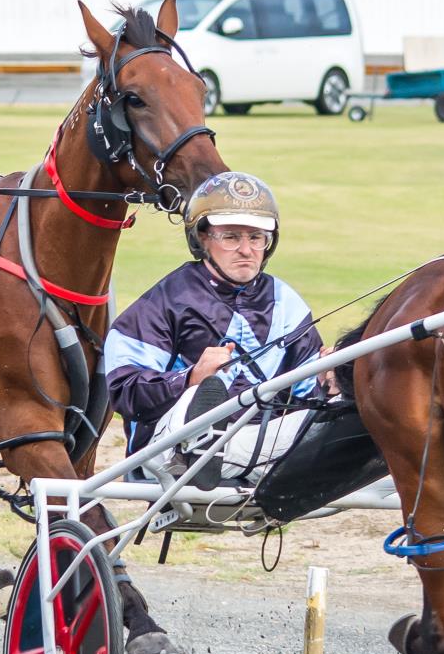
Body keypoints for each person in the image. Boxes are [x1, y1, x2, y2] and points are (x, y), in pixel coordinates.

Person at [103, 172, 331, 491]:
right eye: (231, 237)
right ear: (203, 238)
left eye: (256, 238)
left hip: (263, 445)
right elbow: (124, 390)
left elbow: (306, 398)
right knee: (200, 398)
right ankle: (205, 451)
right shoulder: (165, 302)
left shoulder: (287, 303)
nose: (246, 250)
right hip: (169, 450)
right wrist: (189, 378)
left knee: (347, 404)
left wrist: (328, 384)